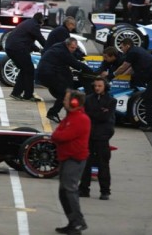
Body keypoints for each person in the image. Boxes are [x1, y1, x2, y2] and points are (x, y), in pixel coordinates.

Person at [51, 89, 90, 235]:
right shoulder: (70, 118)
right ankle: (72, 222)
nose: (63, 101)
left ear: (74, 102)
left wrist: (58, 135)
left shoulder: (80, 119)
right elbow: (57, 134)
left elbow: (62, 136)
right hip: (66, 158)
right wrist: (57, 135)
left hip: (74, 159)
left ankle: (78, 222)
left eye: (66, 99)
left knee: (69, 190)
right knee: (64, 192)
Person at [37, 38, 93, 123]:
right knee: (66, 93)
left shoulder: (60, 45)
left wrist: (79, 56)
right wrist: (92, 71)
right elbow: (75, 64)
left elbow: (73, 56)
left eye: (75, 47)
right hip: (48, 74)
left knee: (66, 87)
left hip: (46, 72)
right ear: (67, 45)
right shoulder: (62, 52)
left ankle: (65, 113)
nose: (73, 50)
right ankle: (53, 113)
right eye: (72, 48)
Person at [113, 38, 152, 132]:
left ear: (127, 46)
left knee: (149, 97)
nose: (121, 49)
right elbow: (131, 69)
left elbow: (124, 66)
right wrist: (120, 78)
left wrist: (113, 75)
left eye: (122, 47)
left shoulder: (132, 52)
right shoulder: (137, 50)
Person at [79, 77, 117, 201]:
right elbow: (84, 115)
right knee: (86, 164)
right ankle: (84, 189)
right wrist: (98, 113)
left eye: (99, 86)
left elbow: (105, 117)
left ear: (105, 86)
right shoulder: (88, 99)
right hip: (89, 136)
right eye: (95, 86)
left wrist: (93, 114)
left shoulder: (111, 100)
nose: (97, 88)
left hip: (102, 137)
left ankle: (105, 191)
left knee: (103, 165)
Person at [4, 12, 46, 102]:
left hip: (10, 48)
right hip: (19, 49)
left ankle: (16, 93)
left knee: (25, 70)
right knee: (30, 70)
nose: (43, 23)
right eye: (43, 21)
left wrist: (38, 50)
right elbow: (41, 39)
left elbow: (27, 40)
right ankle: (28, 95)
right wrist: (49, 49)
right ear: (40, 20)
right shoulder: (35, 26)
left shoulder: (27, 23)